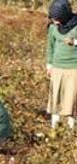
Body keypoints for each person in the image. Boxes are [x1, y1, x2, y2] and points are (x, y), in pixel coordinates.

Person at [47, 0, 77, 129]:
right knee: (55, 97)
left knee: (72, 98)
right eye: (53, 19)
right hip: (57, 67)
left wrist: (75, 42)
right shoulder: (53, 27)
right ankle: (54, 126)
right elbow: (50, 46)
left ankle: (71, 128)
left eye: (58, 19)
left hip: (74, 67)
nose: (55, 21)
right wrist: (49, 65)